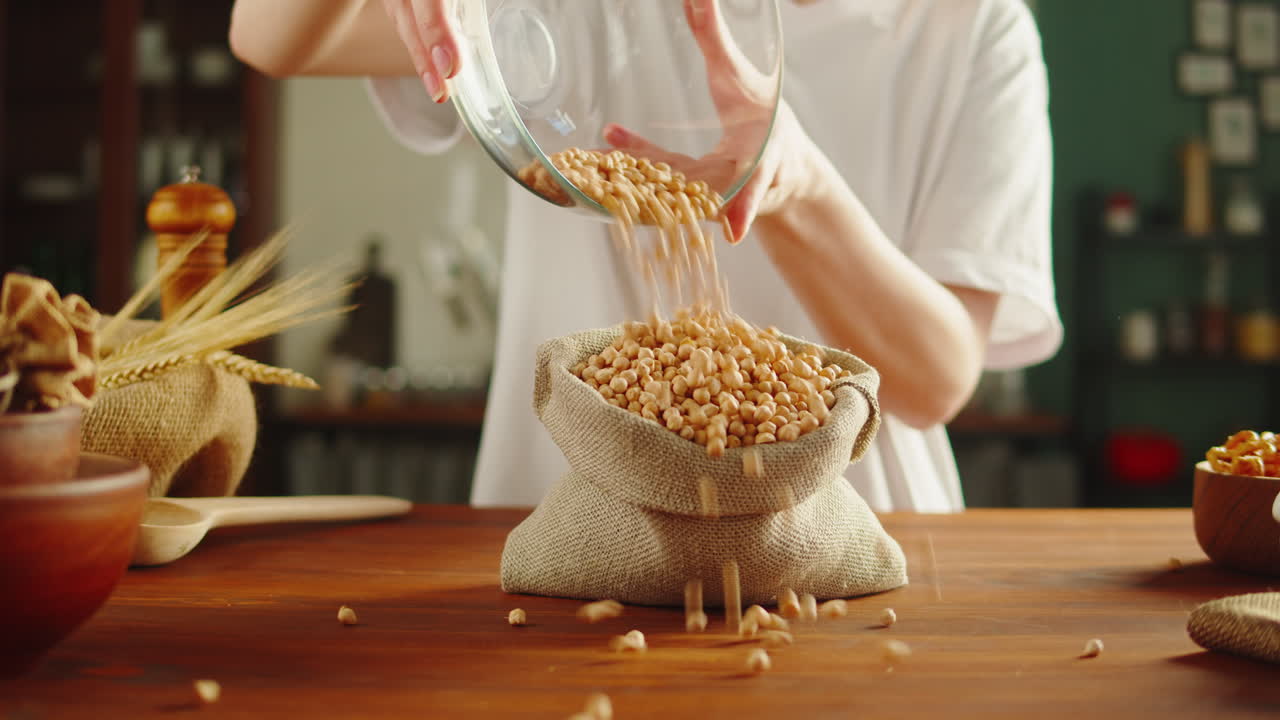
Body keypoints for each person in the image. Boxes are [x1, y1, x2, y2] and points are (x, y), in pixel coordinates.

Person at [229, 0, 1062, 512]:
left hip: (853, 544)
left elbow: (937, 378)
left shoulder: (977, 26)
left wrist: (801, 183)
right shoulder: (590, 7)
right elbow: (267, 36)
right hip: (575, 531)